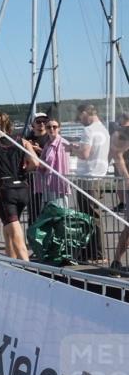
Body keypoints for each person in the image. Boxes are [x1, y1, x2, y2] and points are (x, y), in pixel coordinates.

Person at [0, 112, 40, 261]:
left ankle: (26, 265)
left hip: (5, 190)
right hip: (22, 187)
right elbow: (35, 163)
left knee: (14, 230)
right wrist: (24, 170)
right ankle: (10, 261)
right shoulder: (22, 141)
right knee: (8, 227)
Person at [67, 104, 111, 262]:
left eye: (80, 117)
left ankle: (96, 253)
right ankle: (94, 252)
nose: (79, 121)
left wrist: (72, 148)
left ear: (85, 113)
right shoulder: (103, 130)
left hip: (87, 177)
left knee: (89, 216)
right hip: (98, 176)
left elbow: (85, 154)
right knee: (94, 215)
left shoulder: (89, 130)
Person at [109, 128, 129, 273]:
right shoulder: (124, 133)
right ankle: (116, 261)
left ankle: (116, 262)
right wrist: (127, 177)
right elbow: (118, 155)